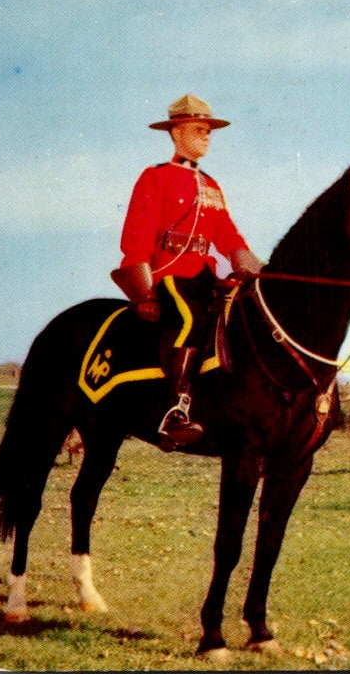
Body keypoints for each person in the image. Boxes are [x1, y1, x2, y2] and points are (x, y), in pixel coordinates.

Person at [111, 94, 263, 449]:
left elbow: (228, 234)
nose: (207, 136)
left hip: (205, 275)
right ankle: (174, 409)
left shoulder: (211, 186)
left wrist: (254, 267)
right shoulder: (155, 178)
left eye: (209, 130)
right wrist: (144, 292)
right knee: (190, 321)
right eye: (199, 129)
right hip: (170, 273)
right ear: (177, 132)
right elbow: (136, 234)